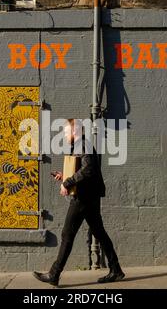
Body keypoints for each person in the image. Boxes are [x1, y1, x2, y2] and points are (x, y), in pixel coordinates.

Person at [33, 119, 125, 286]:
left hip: (83, 197)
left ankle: (54, 274)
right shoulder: (82, 145)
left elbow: (88, 170)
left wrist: (67, 183)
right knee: (99, 232)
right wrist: (65, 176)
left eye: (67, 131)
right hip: (90, 196)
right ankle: (116, 270)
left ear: (75, 131)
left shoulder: (82, 144)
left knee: (67, 234)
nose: (65, 134)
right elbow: (83, 169)